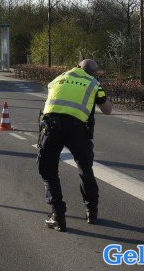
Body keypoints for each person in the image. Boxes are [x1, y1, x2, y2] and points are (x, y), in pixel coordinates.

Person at [38, 59, 112, 232]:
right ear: (95, 74)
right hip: (77, 129)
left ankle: (57, 215)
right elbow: (107, 110)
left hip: (52, 126)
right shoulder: (94, 84)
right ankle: (91, 212)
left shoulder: (59, 78)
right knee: (85, 169)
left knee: (48, 170)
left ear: (77, 67)